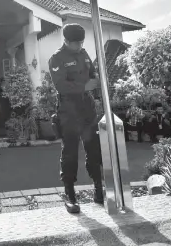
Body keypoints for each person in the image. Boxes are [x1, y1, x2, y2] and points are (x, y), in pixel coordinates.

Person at [49, 23, 103, 214]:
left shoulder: (84, 53)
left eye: (81, 42)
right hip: (68, 109)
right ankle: (70, 195)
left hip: (87, 107)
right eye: (75, 43)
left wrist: (93, 81)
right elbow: (61, 86)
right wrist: (85, 86)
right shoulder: (57, 58)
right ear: (65, 41)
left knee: (94, 148)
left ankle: (98, 188)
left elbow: (93, 74)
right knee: (70, 152)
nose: (79, 46)